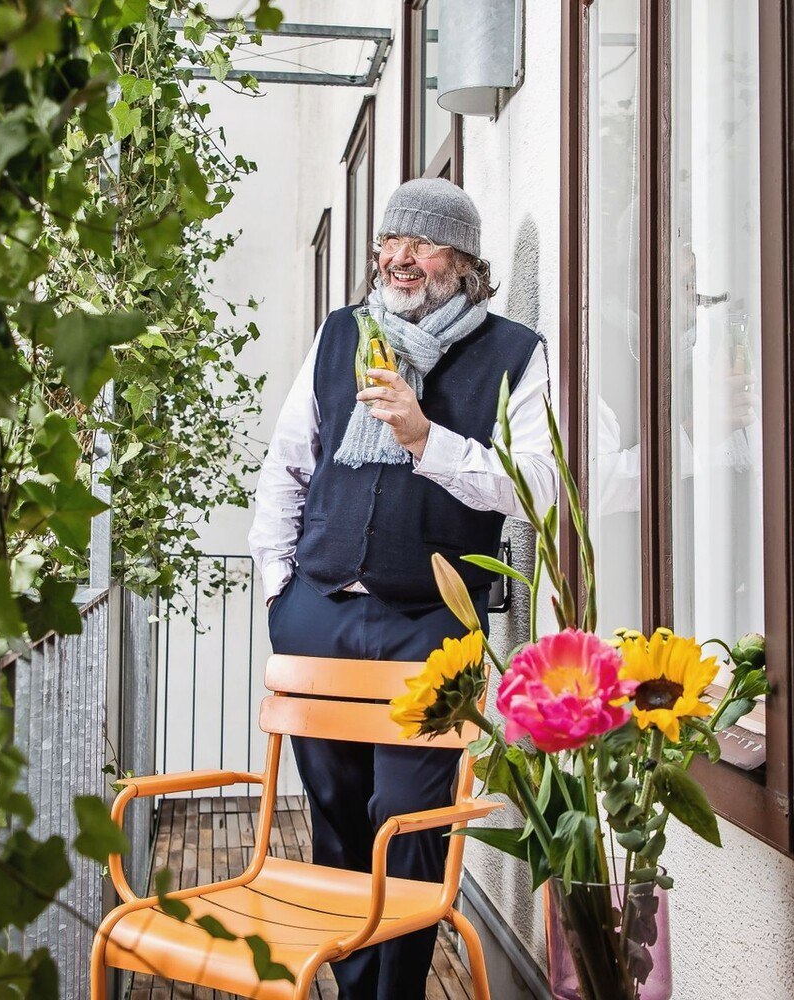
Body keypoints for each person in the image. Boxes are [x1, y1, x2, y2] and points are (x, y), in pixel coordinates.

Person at [248, 178, 556, 998]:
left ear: (463, 261)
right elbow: (285, 466)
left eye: (420, 244)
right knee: (338, 812)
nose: (399, 258)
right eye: (391, 242)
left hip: (430, 624)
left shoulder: (513, 353)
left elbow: (537, 489)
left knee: (407, 817)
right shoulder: (342, 334)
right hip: (317, 613)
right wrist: (279, 591)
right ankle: (354, 990)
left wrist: (426, 438)